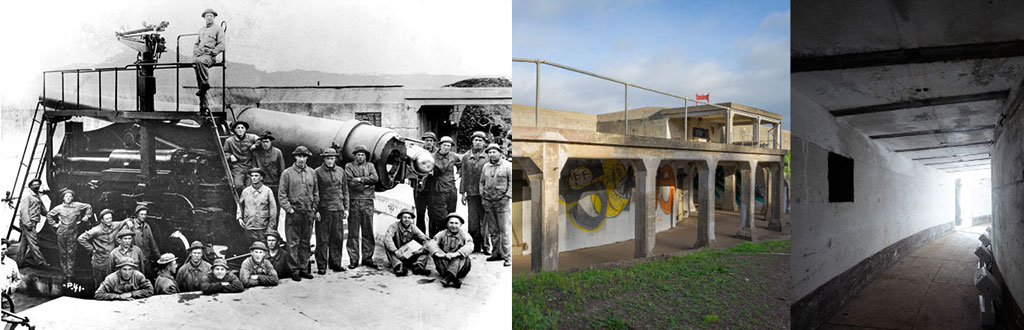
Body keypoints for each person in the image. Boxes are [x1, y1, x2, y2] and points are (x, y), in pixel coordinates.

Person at [279, 146, 318, 281]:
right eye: (299, 156)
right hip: (293, 213)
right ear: (295, 157)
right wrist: (289, 209)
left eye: (304, 156)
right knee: (293, 243)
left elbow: (316, 193)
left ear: (307, 158)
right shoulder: (287, 173)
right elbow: (282, 195)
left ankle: (304, 268)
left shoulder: (312, 173)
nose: (302, 159)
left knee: (305, 242)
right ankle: (294, 270)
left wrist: (313, 208)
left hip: (308, 213)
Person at [313, 147, 348, 274]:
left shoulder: (341, 171)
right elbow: (314, 192)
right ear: (324, 159)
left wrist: (346, 208)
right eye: (327, 158)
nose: (329, 161)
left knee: (337, 238)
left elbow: (345, 190)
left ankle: (336, 263)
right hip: (324, 210)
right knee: (322, 239)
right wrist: (316, 210)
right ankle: (322, 265)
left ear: (335, 159)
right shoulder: (317, 172)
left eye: (332, 158)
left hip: (338, 209)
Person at [344, 145, 378, 270]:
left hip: (368, 202)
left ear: (365, 156)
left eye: (362, 154)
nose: (360, 157)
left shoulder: (370, 166)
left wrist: (359, 179)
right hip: (354, 202)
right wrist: (366, 184)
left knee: (368, 231)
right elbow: (349, 182)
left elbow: (375, 178)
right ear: (355, 155)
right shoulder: (349, 166)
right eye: (358, 154)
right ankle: (353, 259)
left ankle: (367, 258)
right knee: (353, 232)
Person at [77, 209, 130, 287]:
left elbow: (125, 221)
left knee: (112, 282)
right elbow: (81, 238)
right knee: (100, 284)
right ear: (102, 220)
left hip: (112, 260)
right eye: (107, 219)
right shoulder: (96, 230)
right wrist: (93, 249)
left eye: (110, 218)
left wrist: (129, 221)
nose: (109, 220)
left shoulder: (115, 225)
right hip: (99, 260)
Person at [46, 189, 93, 277]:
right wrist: (54, 224)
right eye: (66, 196)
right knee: (63, 252)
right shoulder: (59, 208)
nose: (68, 198)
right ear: (63, 198)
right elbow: (49, 215)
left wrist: (86, 217)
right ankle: (64, 270)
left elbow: (88, 206)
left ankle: (70, 271)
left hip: (73, 232)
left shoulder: (77, 205)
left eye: (70, 196)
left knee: (71, 252)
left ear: (72, 198)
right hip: (61, 232)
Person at [481, 143, 513, 267]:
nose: (491, 154)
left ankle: (507, 257)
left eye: (494, 152)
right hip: (488, 201)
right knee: (493, 230)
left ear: (500, 153)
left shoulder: (508, 166)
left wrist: (507, 196)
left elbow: (512, 182)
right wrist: (483, 196)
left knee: (504, 230)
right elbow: (481, 182)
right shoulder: (486, 167)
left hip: (502, 202)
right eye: (489, 152)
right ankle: (496, 253)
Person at [460, 131, 490, 254]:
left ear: (484, 143)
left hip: (485, 193)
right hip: (471, 193)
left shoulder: (489, 156)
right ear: (472, 141)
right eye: (475, 140)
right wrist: (462, 193)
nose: (477, 142)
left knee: (485, 220)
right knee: (472, 220)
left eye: (480, 140)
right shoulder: (466, 157)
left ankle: (486, 246)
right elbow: (464, 175)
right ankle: (475, 245)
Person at [193, 8, 226, 113]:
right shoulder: (201, 30)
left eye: (211, 16)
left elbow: (222, 45)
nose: (209, 17)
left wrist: (212, 53)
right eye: (207, 16)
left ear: (214, 17)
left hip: (209, 56)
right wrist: (195, 55)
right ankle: (203, 106)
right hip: (199, 56)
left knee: (200, 62)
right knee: (200, 80)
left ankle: (205, 84)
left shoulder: (218, 29)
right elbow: (196, 44)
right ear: (204, 18)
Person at [427, 136, 460, 236]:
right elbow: (423, 168)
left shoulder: (453, 156)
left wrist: (458, 175)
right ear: (440, 145)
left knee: (451, 214)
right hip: (438, 189)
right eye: (445, 145)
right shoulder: (431, 157)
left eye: (449, 146)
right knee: (439, 216)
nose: (447, 148)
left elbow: (461, 165)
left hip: (451, 189)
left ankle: (449, 238)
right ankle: (437, 238)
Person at [384, 208, 430, 277]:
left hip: (410, 254)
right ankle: (398, 266)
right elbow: (387, 238)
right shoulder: (394, 226)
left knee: (427, 248)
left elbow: (425, 238)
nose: (407, 220)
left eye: (409, 218)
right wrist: (395, 251)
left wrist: (421, 250)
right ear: (401, 218)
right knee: (388, 246)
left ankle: (418, 266)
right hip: (398, 255)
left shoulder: (413, 227)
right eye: (404, 217)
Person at [431, 213, 474, 288]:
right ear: (447, 224)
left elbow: (470, 245)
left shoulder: (465, 234)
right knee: (436, 254)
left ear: (460, 225)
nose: (454, 226)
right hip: (444, 265)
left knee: (462, 255)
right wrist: (441, 254)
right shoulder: (442, 234)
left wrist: (456, 254)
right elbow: (431, 243)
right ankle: (453, 279)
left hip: (461, 269)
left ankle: (448, 277)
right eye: (451, 223)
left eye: (456, 223)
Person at [237, 168, 278, 244]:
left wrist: (271, 227)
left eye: (256, 175)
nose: (254, 178)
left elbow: (273, 210)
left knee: (263, 247)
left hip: (262, 226)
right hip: (249, 225)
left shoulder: (267, 191)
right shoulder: (246, 191)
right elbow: (240, 204)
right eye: (252, 176)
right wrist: (239, 217)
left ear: (261, 177)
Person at [17, 179, 49, 267]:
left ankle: (19, 262)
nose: (36, 186)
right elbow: (24, 211)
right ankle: (41, 262)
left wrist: (49, 215)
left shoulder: (37, 196)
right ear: (30, 186)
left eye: (38, 184)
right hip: (28, 222)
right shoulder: (27, 196)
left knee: (24, 242)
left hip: (32, 222)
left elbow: (42, 209)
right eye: (34, 185)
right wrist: (28, 223)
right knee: (33, 242)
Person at [124, 204, 160, 278]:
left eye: (145, 214)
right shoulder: (130, 226)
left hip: (146, 260)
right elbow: (121, 240)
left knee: (149, 278)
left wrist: (159, 258)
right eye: (141, 214)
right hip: (134, 260)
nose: (143, 216)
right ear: (137, 214)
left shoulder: (147, 227)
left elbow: (153, 244)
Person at [223, 121, 260, 191]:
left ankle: (247, 200)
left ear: (245, 129)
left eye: (242, 128)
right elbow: (225, 153)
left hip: (250, 166)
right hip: (238, 167)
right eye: (238, 128)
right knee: (238, 185)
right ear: (235, 130)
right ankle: (244, 197)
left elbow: (259, 140)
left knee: (251, 186)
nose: (240, 130)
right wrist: (230, 156)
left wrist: (255, 145)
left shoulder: (251, 137)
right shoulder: (229, 141)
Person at [414, 132, 437, 231]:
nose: (428, 143)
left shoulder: (437, 154)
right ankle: (420, 238)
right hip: (419, 189)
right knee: (420, 214)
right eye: (426, 140)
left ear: (434, 142)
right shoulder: (418, 153)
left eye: (431, 141)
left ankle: (433, 238)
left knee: (433, 214)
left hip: (433, 188)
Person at [252, 132, 286, 197]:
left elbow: (282, 169)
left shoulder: (277, 152)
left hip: (275, 184)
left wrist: (281, 184)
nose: (265, 144)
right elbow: (254, 169)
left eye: (267, 142)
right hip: (262, 184)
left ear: (270, 142)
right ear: (260, 143)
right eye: (263, 142)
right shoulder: (256, 153)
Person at [0, 239, 22, 312]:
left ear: (6, 250)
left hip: (7, 300)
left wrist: (10, 289)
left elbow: (17, 279)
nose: (0, 252)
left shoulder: (11, 263)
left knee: (9, 319)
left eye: (3, 249)